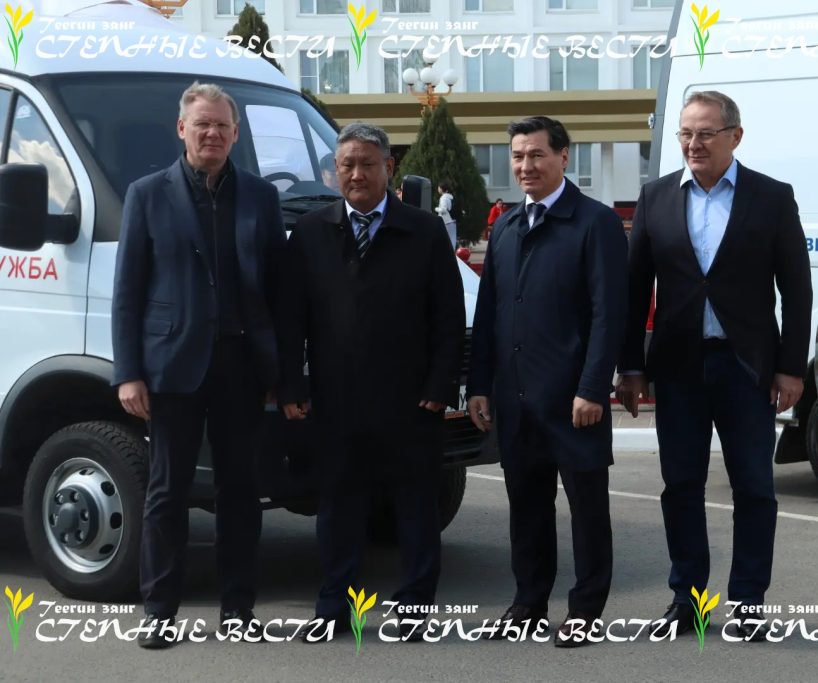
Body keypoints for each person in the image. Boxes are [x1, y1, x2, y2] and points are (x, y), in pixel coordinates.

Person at [616, 90, 812, 642]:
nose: (693, 144)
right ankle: (689, 600)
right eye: (686, 133)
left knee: (754, 488)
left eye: (705, 133)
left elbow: (797, 289)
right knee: (681, 485)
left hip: (746, 367)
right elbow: (635, 290)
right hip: (678, 367)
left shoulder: (771, 197)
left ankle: (749, 602)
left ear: (735, 137)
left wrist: (791, 368)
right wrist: (631, 366)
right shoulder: (656, 196)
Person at [111, 82, 286, 649]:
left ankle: (238, 610)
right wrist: (128, 372)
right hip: (172, 367)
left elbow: (278, 290)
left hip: (242, 366)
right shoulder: (147, 194)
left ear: (235, 134)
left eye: (222, 126)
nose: (212, 133)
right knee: (167, 492)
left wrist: (280, 370)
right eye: (202, 124)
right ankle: (160, 612)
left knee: (241, 492)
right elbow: (128, 293)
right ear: (182, 129)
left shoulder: (260, 196)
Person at [277, 123, 465, 644]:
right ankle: (333, 608)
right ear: (334, 173)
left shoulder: (424, 231)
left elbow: (448, 316)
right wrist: (291, 384)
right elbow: (291, 318)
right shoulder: (311, 232)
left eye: (367, 164)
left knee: (415, 508)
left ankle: (414, 609)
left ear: (389, 168)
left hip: (412, 399)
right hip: (336, 399)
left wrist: (441, 385)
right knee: (338, 508)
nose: (356, 174)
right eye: (347, 165)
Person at [467, 116, 627, 648]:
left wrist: (592, 387)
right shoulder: (506, 226)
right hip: (515, 397)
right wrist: (480, 384)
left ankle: (585, 610)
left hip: (573, 399)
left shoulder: (595, 223)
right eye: (517, 156)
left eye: (536, 154)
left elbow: (609, 314)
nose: (525, 166)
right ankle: (528, 604)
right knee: (527, 508)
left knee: (587, 511)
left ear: (563, 156)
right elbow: (489, 313)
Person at [435, 180, 457, 249]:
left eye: (439, 187)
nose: (438, 189)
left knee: (445, 240)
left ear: (441, 189)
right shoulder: (451, 197)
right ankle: (452, 253)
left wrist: (436, 209)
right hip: (452, 220)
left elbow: (443, 210)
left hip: (446, 221)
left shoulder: (443, 198)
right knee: (452, 239)